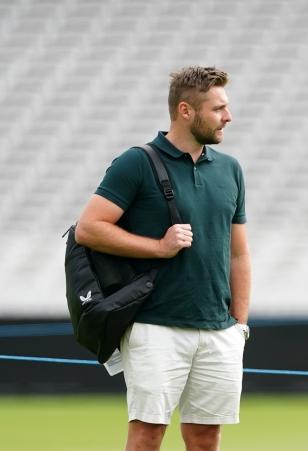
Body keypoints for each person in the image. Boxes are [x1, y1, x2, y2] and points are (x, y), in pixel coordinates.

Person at [76, 66, 251, 451]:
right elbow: (88, 228)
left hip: (219, 330)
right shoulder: (136, 162)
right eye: (218, 108)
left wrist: (239, 325)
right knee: (147, 436)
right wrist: (158, 247)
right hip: (155, 326)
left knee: (206, 439)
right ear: (186, 111)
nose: (228, 116)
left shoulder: (230, 169)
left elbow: (238, 253)